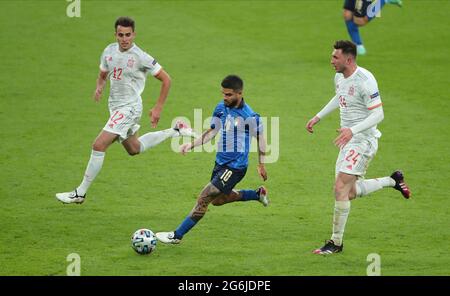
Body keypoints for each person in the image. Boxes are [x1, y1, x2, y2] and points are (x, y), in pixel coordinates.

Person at [56, 16, 196, 204]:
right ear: (115, 35)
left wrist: (158, 107)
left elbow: (167, 79)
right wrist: (99, 86)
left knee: (98, 145)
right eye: (121, 35)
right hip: (115, 108)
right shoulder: (109, 51)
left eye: (128, 35)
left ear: (134, 34)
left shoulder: (141, 57)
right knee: (134, 148)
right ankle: (176, 130)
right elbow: (103, 72)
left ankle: (80, 193)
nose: (124, 39)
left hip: (130, 108)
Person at [305, 40, 411, 255]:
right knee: (349, 192)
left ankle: (335, 243)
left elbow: (378, 114)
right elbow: (341, 96)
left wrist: (352, 130)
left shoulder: (365, 80)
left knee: (340, 188)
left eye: (336, 57)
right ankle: (393, 180)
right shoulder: (339, 77)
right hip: (348, 139)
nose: (331, 60)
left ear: (348, 59)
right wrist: (318, 116)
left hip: (363, 141)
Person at [155, 75, 269, 244]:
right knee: (218, 201)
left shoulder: (250, 116)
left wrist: (261, 163)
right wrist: (190, 145)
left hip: (236, 167)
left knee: (204, 198)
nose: (225, 98)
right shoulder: (221, 108)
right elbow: (212, 132)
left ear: (239, 93)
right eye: (223, 94)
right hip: (220, 163)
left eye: (229, 95)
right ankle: (257, 194)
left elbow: (261, 139)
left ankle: (176, 235)